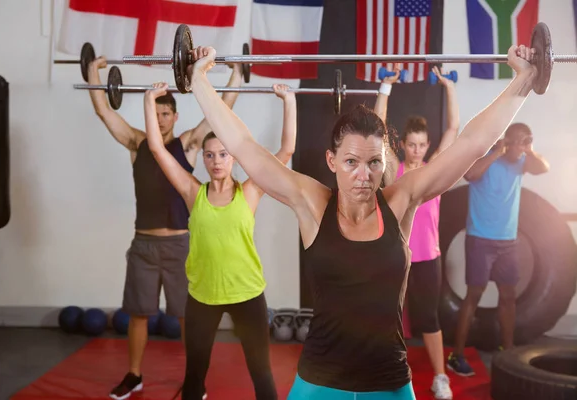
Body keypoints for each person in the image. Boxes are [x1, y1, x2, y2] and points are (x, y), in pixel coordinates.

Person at [185, 42, 539, 400]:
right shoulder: (312, 203)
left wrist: (522, 81)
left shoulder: (401, 200)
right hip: (319, 383)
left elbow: (472, 144)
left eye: (374, 163)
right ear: (331, 160)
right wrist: (197, 80)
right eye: (351, 162)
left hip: (388, 382)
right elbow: (244, 146)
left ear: (385, 163)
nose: (363, 176)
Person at [85, 56, 244, 400]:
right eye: (155, 114)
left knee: (188, 317)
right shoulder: (136, 143)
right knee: (139, 315)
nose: (159, 120)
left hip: (181, 246)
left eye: (165, 114)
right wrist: (92, 72)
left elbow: (221, 111)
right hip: (143, 246)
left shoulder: (187, 144)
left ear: (175, 116)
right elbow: (104, 113)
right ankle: (134, 375)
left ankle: (193, 379)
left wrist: (236, 73)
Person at [143, 81, 297, 400]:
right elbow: (157, 149)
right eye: (210, 155)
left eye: (223, 154)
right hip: (203, 296)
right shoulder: (191, 193)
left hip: (248, 295)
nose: (216, 161)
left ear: (234, 158)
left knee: (261, 372)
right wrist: (148, 100)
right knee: (195, 375)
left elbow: (287, 151)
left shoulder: (251, 191)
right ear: (203, 159)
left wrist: (289, 101)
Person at [374, 65, 459, 399]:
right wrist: (385, 86)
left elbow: (453, 128)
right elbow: (377, 131)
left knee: (429, 318)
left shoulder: (433, 171)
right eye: (412, 144)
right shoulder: (393, 170)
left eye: (422, 145)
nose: (417, 150)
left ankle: (440, 377)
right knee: (384, 316)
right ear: (404, 144)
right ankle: (380, 373)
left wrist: (449, 87)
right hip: (394, 257)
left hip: (427, 259)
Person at [447, 122, 549, 377]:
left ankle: (508, 349)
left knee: (508, 296)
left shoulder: (523, 161)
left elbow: (543, 168)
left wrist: (530, 150)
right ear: (507, 140)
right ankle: (456, 355)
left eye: (524, 142)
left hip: (508, 241)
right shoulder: (490, 157)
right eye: (516, 142)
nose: (519, 147)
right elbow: (470, 175)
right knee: (474, 295)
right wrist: (498, 152)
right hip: (481, 239)